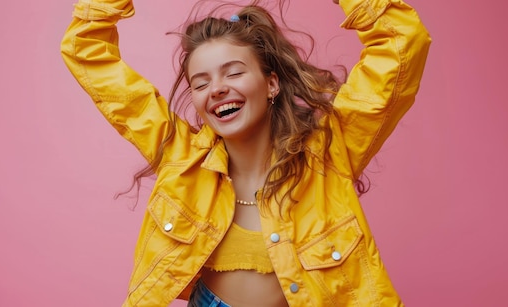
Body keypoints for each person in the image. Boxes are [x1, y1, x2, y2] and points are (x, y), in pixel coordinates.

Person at [61, 0, 430, 305]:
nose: (216, 89)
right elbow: (87, 53)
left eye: (233, 73)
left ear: (271, 83)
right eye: (200, 83)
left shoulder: (329, 151)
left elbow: (402, 44)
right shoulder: (181, 153)